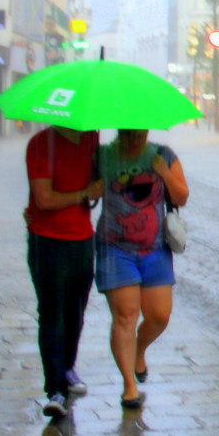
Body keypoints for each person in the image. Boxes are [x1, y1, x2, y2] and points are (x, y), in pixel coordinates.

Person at [95, 129, 189, 409]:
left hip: (155, 249)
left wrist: (164, 173)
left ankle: (139, 349)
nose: (135, 139)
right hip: (115, 248)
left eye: (140, 134)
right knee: (125, 315)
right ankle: (129, 386)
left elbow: (182, 196)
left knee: (159, 315)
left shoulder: (163, 155)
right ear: (120, 131)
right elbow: (86, 193)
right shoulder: (102, 157)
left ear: (147, 131)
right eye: (129, 134)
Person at [25, 126, 103, 418]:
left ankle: (68, 367)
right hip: (47, 240)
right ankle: (54, 387)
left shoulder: (92, 139)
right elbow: (44, 198)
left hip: (82, 239)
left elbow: (97, 186)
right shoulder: (41, 144)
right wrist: (85, 193)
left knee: (75, 312)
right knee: (52, 312)